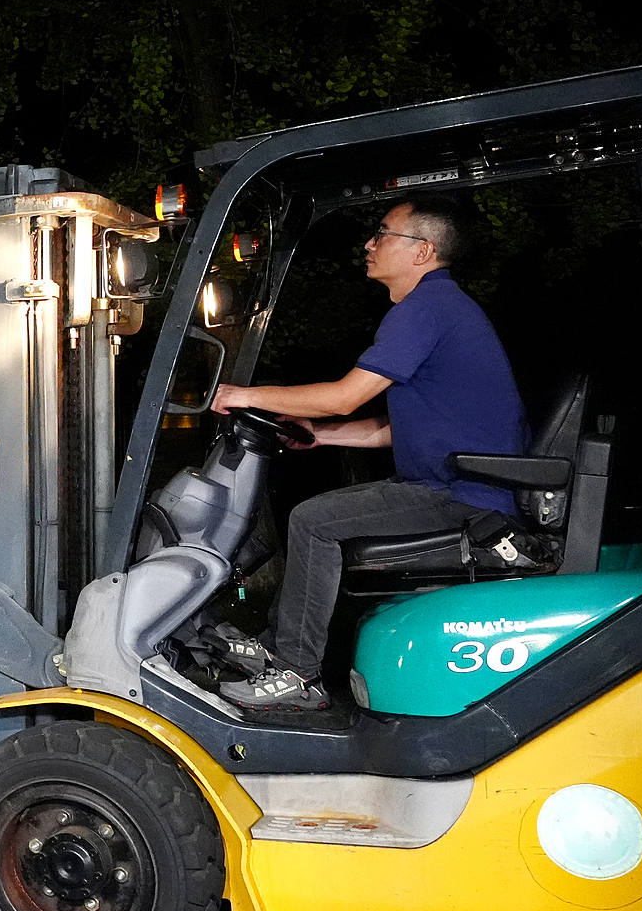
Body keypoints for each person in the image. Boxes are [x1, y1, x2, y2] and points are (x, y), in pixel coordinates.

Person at [209, 195, 527, 712]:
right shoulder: (435, 307)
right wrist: (321, 434)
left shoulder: (428, 307)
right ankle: (276, 649)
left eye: (383, 233)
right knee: (318, 516)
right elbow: (388, 429)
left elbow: (343, 396)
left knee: (314, 520)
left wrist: (243, 395)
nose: (369, 243)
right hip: (455, 483)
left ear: (422, 251)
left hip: (465, 494)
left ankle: (296, 673)